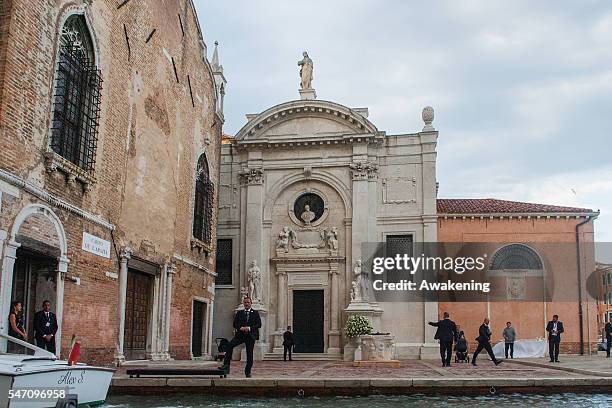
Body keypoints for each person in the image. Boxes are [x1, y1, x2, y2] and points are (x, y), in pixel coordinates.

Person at [218, 297, 262, 377]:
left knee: (249, 354)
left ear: (251, 303)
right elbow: (235, 324)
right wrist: (241, 328)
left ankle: (248, 372)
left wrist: (249, 328)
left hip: (250, 336)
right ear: (243, 303)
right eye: (245, 302)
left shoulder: (255, 313)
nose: (246, 304)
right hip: (240, 335)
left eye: (248, 302)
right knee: (230, 345)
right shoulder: (240, 313)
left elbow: (259, 324)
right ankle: (226, 366)